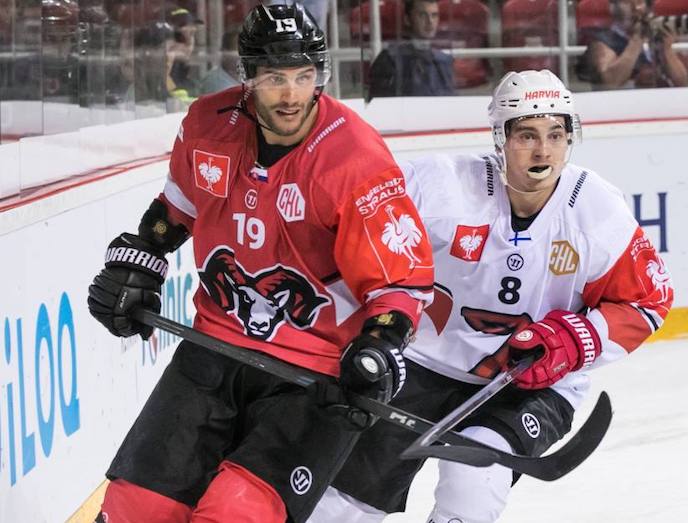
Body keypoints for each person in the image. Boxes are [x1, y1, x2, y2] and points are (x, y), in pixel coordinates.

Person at [86, 3, 434, 522]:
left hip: (312, 373)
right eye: (275, 77)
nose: (291, 94)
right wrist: (141, 258)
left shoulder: (354, 158)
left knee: (235, 515)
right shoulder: (208, 124)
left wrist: (380, 346)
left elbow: (399, 285)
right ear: (248, 76)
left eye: (303, 76)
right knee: (135, 509)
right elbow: (176, 210)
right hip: (213, 348)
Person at [307, 69, 674, 523]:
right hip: (420, 364)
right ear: (500, 137)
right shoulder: (439, 185)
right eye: (527, 135)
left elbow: (647, 301)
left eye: (556, 135)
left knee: (474, 480)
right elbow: (355, 214)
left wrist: (573, 341)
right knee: (337, 509)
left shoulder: (597, 211)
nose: (543, 151)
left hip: (529, 380)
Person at [579, 0, 687, 88]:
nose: (636, 8)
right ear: (613, 7)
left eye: (640, 2)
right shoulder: (602, 40)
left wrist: (667, 50)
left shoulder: (656, 35)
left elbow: (684, 84)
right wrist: (636, 41)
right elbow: (610, 82)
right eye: (627, 2)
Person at [367, 0, 455, 100]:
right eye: (422, 15)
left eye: (434, 15)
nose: (430, 21)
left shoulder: (444, 62)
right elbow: (378, 103)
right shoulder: (390, 59)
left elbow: (451, 101)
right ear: (407, 19)